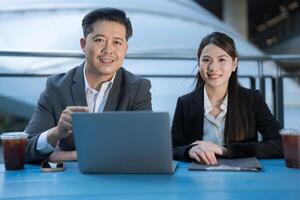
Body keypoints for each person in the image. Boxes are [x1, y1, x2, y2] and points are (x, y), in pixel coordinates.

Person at [25, 8, 152, 163]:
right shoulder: (57, 87)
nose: (108, 50)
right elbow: (26, 148)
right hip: (71, 183)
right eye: (99, 40)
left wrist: (71, 156)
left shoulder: (138, 88)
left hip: (118, 180)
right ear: (83, 44)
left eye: (117, 42)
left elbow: (146, 147)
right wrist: (57, 132)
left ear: (125, 49)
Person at [172, 32, 283, 165]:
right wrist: (189, 150)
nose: (213, 67)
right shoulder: (185, 103)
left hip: (243, 178)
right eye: (206, 60)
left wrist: (225, 150)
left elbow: (280, 143)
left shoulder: (252, 99)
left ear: (234, 64)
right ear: (198, 63)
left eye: (221, 60)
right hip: (197, 178)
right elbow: (172, 148)